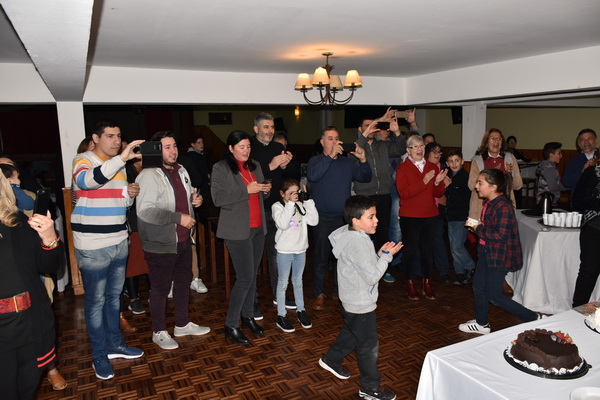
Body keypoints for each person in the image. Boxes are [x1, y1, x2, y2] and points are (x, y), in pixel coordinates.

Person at [71, 120, 145, 380]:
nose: (116, 141)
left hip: (119, 240)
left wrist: (130, 195)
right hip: (93, 244)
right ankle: (99, 354)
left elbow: (119, 203)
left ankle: (115, 344)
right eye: (110, 136)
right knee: (95, 302)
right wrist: (121, 159)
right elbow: (88, 182)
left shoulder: (119, 166)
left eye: (119, 135)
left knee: (114, 298)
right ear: (95, 138)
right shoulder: (83, 160)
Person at [319, 195, 402, 400]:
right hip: (360, 301)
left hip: (351, 299)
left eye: (375, 216)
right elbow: (372, 276)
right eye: (371, 217)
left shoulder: (349, 233)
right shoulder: (359, 242)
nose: (376, 220)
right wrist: (386, 257)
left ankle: (331, 359)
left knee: (352, 331)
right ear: (356, 220)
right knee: (368, 347)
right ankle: (370, 387)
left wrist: (377, 255)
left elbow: (362, 265)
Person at [136, 131, 209, 350]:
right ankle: (158, 331)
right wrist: (178, 218)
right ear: (157, 150)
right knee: (160, 289)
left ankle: (182, 324)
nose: (173, 151)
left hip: (183, 238)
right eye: (167, 147)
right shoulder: (149, 175)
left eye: (174, 145)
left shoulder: (181, 169)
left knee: (183, 283)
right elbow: (145, 211)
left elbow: (183, 199)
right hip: (161, 242)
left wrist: (195, 200)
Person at [0, 173, 63, 399]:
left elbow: (47, 265)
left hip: (29, 323)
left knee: (26, 390)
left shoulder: (14, 220)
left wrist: (49, 237)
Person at [460, 169, 539, 334]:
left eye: (480, 183)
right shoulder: (490, 202)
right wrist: (479, 225)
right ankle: (482, 324)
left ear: (493, 187)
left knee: (495, 296)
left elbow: (499, 235)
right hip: (487, 252)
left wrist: (477, 227)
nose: (476, 186)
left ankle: (534, 318)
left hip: (498, 256)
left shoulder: (503, 206)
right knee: (478, 287)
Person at [211, 130, 272, 345]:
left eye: (248, 146)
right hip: (236, 230)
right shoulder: (221, 168)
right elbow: (217, 198)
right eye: (241, 147)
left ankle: (247, 317)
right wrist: (247, 190)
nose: (246, 150)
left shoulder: (255, 165)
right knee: (245, 278)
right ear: (231, 148)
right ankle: (231, 325)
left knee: (252, 276)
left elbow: (260, 193)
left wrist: (265, 190)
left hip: (257, 228)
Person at [307, 126, 371, 311]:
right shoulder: (316, 160)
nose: (334, 142)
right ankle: (319, 294)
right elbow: (313, 176)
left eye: (336, 138)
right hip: (322, 219)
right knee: (321, 258)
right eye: (330, 138)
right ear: (322, 142)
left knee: (342, 259)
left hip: (343, 219)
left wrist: (363, 159)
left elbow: (365, 177)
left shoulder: (347, 163)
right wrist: (329, 157)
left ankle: (339, 290)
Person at [250, 113, 300, 316]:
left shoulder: (278, 147)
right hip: (255, 209)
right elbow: (246, 176)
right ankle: (251, 301)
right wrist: (270, 166)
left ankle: (279, 295)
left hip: (277, 210)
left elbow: (294, 176)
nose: (270, 131)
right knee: (253, 259)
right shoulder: (248, 148)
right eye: (266, 127)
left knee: (277, 255)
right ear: (256, 129)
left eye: (272, 127)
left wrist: (286, 165)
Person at [353, 108, 409, 283]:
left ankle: (382, 269)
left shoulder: (383, 145)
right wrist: (365, 135)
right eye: (366, 126)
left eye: (372, 126)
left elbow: (400, 148)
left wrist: (397, 132)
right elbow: (356, 148)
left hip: (384, 195)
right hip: (365, 197)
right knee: (363, 236)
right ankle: (363, 269)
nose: (370, 129)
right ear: (360, 129)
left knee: (382, 234)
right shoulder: (356, 147)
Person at [396, 135, 447, 300]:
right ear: (408, 150)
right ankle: (410, 283)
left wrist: (438, 183)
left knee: (427, 250)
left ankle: (427, 282)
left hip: (430, 215)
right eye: (415, 146)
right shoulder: (402, 169)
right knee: (410, 251)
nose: (419, 149)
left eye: (421, 146)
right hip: (410, 216)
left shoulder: (432, 166)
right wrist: (424, 181)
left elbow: (437, 193)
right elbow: (404, 193)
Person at [272, 178, 319, 332]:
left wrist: (308, 201)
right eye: (291, 193)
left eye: (296, 192)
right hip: (284, 251)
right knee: (283, 283)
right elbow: (282, 224)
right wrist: (290, 204)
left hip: (301, 250)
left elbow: (314, 221)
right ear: (282, 193)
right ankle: (281, 315)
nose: (295, 195)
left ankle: (301, 310)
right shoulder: (277, 206)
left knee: (298, 281)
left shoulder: (300, 205)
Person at [468, 128, 523, 220]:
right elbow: (471, 185)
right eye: (492, 138)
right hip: (481, 206)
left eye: (499, 139)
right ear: (486, 143)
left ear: (502, 143)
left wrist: (510, 173)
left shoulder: (509, 158)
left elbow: (518, 185)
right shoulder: (477, 160)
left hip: (504, 207)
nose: (496, 141)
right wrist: (492, 174)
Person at [571, 159, 600, 307]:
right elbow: (578, 200)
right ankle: (576, 311)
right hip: (594, 227)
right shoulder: (592, 172)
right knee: (588, 272)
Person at [444, 150, 475, 285]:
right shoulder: (448, 175)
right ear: (447, 163)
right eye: (451, 161)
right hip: (451, 215)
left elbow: (463, 197)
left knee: (457, 246)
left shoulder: (465, 177)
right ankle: (460, 272)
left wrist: (449, 186)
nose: (454, 164)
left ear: (462, 161)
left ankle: (471, 266)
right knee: (453, 246)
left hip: (462, 216)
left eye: (457, 160)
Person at [425, 142, 451, 282]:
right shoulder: (422, 167)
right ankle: (423, 272)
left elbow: (447, 189)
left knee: (438, 239)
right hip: (422, 209)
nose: (437, 154)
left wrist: (445, 187)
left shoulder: (443, 168)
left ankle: (444, 271)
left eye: (439, 152)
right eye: (434, 151)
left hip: (437, 209)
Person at [563, 129, 599, 209]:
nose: (586, 142)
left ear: (595, 140)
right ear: (579, 143)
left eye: (589, 138)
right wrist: (583, 171)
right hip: (579, 205)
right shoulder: (573, 161)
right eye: (582, 140)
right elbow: (567, 182)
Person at [535, 142, 568, 207]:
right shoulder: (549, 169)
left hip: (546, 200)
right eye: (559, 153)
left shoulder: (547, 166)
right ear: (551, 155)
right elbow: (553, 187)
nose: (561, 155)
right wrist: (568, 186)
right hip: (547, 201)